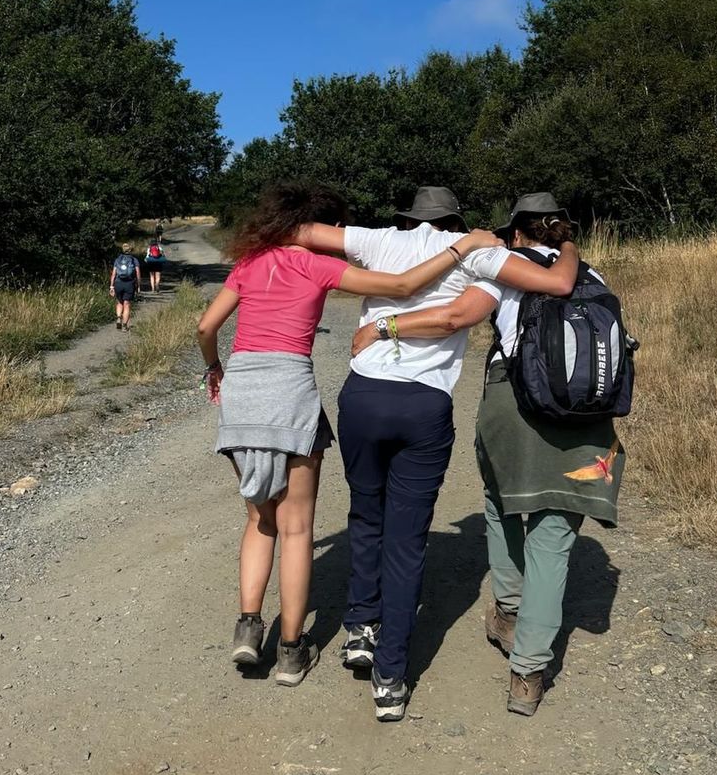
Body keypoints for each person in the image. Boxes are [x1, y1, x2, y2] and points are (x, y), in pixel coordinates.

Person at [196, 182, 502, 689]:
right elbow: (402, 288)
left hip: (242, 391)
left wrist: (215, 370)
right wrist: (460, 247)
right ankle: (292, 650)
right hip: (289, 389)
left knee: (259, 516)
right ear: (321, 227)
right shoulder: (319, 265)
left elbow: (207, 327)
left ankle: (249, 627)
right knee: (297, 529)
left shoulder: (250, 263)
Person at [295, 186, 581, 721]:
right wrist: (568, 243)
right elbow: (558, 283)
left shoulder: (379, 241)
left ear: (408, 218)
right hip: (423, 404)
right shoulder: (479, 251)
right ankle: (390, 677)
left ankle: (360, 626)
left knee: (365, 510)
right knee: (406, 542)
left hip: (363, 393)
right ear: (457, 218)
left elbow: (301, 231)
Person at [350, 192, 626, 718]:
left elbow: (457, 315)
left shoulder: (504, 270)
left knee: (501, 502)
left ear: (517, 234)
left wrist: (383, 327)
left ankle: (507, 609)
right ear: (561, 233)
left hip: (516, 404)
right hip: (590, 420)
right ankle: (528, 673)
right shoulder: (593, 277)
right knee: (554, 534)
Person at [109, 243, 141, 330]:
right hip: (129, 284)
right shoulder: (134, 260)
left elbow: (114, 274)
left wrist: (111, 286)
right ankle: (124, 326)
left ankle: (119, 317)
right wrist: (138, 285)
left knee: (119, 302)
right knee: (127, 304)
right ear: (130, 250)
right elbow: (138, 273)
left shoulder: (118, 260)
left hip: (118, 283)